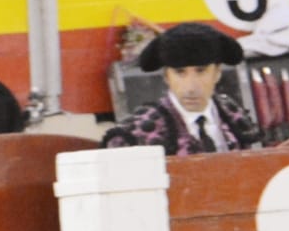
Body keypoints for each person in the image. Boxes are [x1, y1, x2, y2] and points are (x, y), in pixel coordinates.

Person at [102, 21, 260, 154]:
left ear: (217, 73)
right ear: (166, 77)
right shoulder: (138, 132)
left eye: (201, 71)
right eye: (180, 73)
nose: (191, 86)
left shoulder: (233, 116)